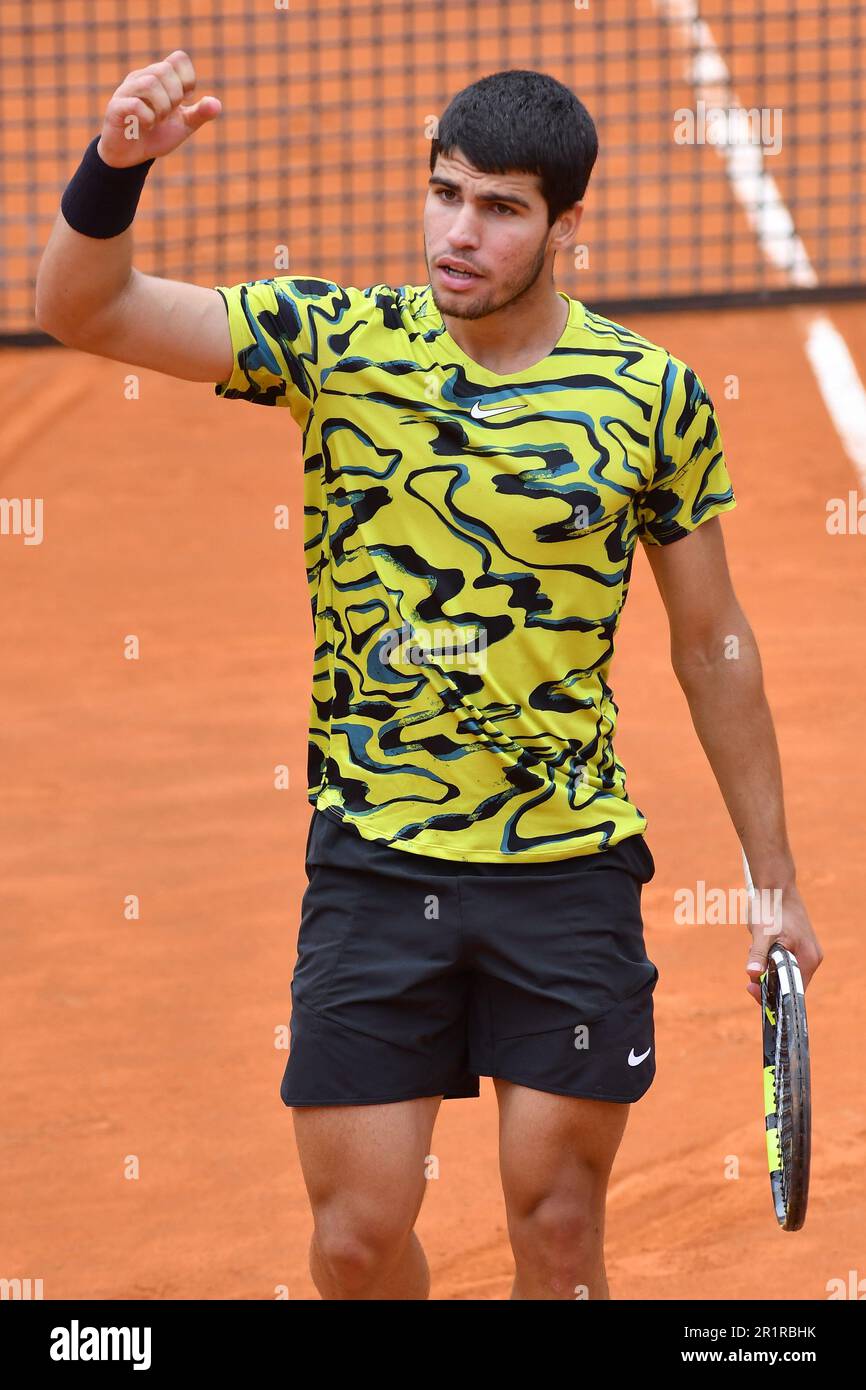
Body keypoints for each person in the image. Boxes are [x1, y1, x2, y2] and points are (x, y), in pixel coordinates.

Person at [35, 54, 822, 1301]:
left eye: (500, 209)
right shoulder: (335, 344)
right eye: (444, 193)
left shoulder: (649, 398)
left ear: (565, 226)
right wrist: (112, 170)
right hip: (372, 861)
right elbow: (89, 311)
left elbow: (709, 639)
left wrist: (771, 884)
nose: (458, 234)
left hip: (564, 866)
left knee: (557, 1229)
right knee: (355, 1237)